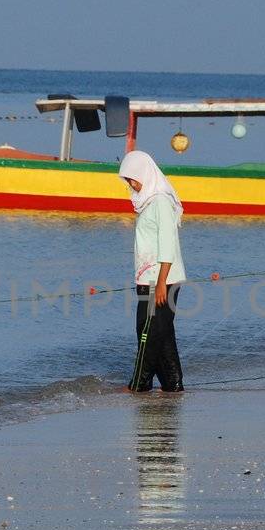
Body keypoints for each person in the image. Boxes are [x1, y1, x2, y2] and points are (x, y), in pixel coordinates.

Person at [118, 150, 186, 392]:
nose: (131, 184)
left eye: (132, 179)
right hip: (150, 279)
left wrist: (160, 283)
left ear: (144, 174)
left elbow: (167, 243)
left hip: (162, 280)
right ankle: (173, 385)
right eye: (127, 180)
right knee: (161, 333)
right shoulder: (148, 202)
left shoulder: (160, 202)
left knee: (148, 333)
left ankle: (139, 384)